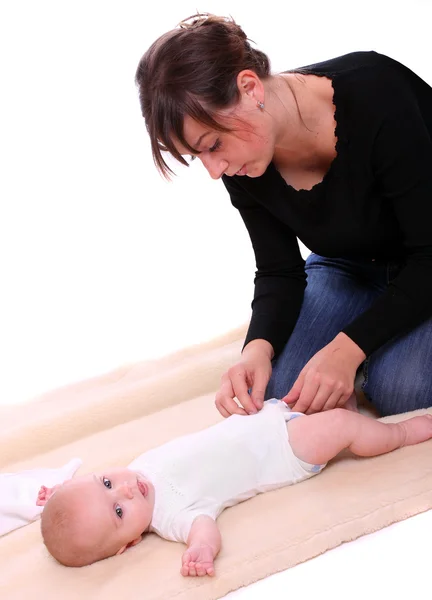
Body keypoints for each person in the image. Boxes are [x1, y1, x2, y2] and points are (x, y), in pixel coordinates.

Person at [135, 13, 432, 419]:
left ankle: (374, 358)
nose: (213, 169)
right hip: (351, 263)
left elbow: (428, 254)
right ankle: (375, 346)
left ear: (249, 87)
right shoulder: (243, 159)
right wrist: (256, 348)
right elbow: (279, 270)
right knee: (274, 393)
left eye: (211, 145)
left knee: (403, 390)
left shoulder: (375, 93)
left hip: (426, 256)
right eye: (197, 156)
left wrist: (346, 349)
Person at [37, 400, 432, 574]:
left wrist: (57, 492)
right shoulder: (170, 516)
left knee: (325, 397)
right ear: (130, 543)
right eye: (119, 512)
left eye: (106, 482)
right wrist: (201, 550)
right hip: (284, 450)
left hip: (269, 416)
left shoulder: (136, 472)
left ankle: (348, 410)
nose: (123, 490)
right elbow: (204, 528)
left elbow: (81, 498)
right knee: (340, 428)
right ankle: (399, 432)